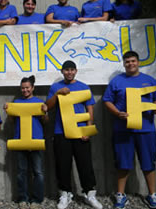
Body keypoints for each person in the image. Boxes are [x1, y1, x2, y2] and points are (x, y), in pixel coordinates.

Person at [103, 51, 156, 209]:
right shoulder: (117, 81)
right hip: (123, 130)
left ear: (138, 62)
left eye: (133, 61)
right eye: (127, 61)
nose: (130, 64)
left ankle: (152, 195)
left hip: (146, 129)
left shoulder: (149, 80)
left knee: (148, 163)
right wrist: (117, 113)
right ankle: (121, 196)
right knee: (123, 164)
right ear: (124, 64)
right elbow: (107, 100)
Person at [46, 60, 102, 209]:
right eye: (66, 70)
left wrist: (88, 129)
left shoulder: (83, 87)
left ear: (76, 71)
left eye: (72, 70)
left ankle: (89, 193)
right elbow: (48, 107)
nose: (69, 72)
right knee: (62, 165)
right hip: (61, 131)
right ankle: (65, 194)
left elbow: (90, 108)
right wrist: (57, 94)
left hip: (80, 131)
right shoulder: (55, 87)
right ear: (62, 71)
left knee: (85, 164)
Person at [4, 76, 48, 209]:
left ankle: (37, 200)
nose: (25, 90)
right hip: (20, 141)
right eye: (23, 88)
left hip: (36, 141)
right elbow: (12, 122)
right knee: (21, 172)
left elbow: (46, 122)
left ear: (32, 88)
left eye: (27, 87)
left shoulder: (39, 102)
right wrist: (8, 112)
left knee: (38, 172)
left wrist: (45, 112)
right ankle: (22, 198)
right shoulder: (16, 102)